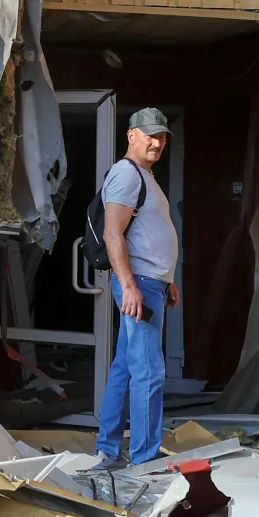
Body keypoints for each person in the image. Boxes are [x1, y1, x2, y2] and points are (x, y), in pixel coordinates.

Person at [98, 107, 178, 470]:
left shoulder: (145, 176)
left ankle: (108, 449)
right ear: (131, 135)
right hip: (139, 284)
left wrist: (168, 278)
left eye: (161, 136)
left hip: (151, 282)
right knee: (149, 371)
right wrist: (130, 286)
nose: (156, 142)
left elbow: (145, 233)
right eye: (150, 135)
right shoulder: (126, 174)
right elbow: (112, 233)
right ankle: (145, 459)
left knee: (126, 369)